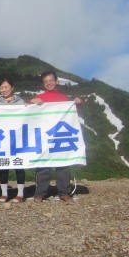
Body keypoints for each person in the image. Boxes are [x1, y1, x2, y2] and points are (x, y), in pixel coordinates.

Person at [30, 71, 83, 203]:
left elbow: (74, 108)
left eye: (51, 80)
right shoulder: (39, 97)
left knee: (63, 164)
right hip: (44, 136)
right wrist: (32, 102)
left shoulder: (63, 98)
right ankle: (40, 193)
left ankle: (64, 193)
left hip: (59, 136)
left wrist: (78, 102)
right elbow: (28, 111)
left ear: (56, 81)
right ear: (43, 84)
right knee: (43, 165)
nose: (49, 83)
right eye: (46, 81)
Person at [0, 77, 26, 203]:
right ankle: (4, 193)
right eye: (1, 87)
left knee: (19, 165)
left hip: (17, 137)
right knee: (3, 165)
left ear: (12, 88)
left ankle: (20, 194)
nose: (4, 89)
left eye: (6, 87)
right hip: (3, 139)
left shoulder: (21, 102)